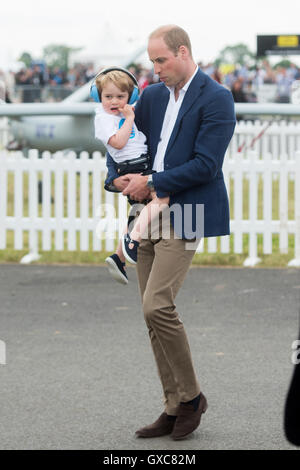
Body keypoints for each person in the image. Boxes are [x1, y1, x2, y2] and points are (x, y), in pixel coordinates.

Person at [105, 25, 236, 440]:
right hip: (146, 209)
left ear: (183, 52)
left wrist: (154, 183)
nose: (155, 68)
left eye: (161, 60)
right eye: (152, 61)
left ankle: (192, 398)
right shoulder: (154, 96)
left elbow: (206, 165)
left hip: (190, 208)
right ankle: (173, 404)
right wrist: (117, 180)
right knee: (151, 315)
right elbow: (126, 148)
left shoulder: (217, 98)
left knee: (156, 306)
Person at [94, 69, 170, 284]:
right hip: (132, 165)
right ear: (98, 97)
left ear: (130, 97)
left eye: (120, 97)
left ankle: (119, 257)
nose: (114, 101)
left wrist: (128, 115)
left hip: (140, 162)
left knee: (140, 209)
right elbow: (117, 142)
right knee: (162, 198)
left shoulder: (120, 115)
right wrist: (129, 118)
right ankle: (132, 239)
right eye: (108, 97)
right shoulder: (103, 119)